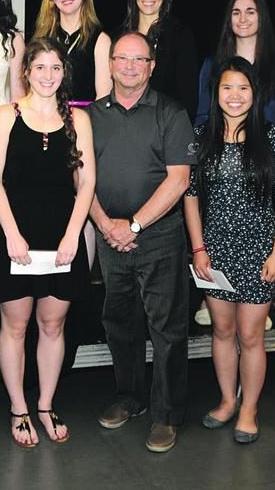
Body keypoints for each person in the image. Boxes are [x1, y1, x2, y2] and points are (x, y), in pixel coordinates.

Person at [0, 37, 95, 446]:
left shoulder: (78, 120)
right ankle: (19, 408)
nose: (48, 75)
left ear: (64, 73)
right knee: (15, 327)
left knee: (53, 325)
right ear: (26, 71)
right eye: (40, 67)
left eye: (56, 68)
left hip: (61, 239)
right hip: (16, 238)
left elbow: (87, 184)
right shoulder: (6, 115)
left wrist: (72, 236)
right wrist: (11, 235)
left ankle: (46, 404)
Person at [89, 31, 196, 453]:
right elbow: (83, 179)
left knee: (167, 328)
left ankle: (166, 414)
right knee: (120, 323)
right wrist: (106, 225)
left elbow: (179, 179)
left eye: (140, 60)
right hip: (109, 237)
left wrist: (131, 226)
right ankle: (129, 397)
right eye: (122, 59)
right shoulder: (92, 116)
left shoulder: (171, 113)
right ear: (111, 63)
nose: (130, 66)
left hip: (160, 236)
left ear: (152, 65)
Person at [184, 57, 275, 444]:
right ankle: (228, 401)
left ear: (254, 93)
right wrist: (198, 249)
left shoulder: (273, 136)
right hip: (213, 254)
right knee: (222, 329)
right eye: (227, 88)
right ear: (216, 93)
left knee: (251, 335)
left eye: (243, 88)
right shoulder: (200, 136)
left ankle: (249, 409)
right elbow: (191, 197)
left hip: (259, 252)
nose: (235, 96)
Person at [193, 0, 275, 328]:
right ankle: (218, 298)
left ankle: (257, 302)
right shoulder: (212, 63)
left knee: (265, 224)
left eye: (250, 11)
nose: (242, 18)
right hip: (221, 156)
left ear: (262, 17)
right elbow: (201, 116)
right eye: (235, 12)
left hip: (264, 161)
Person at [34, 0, 110, 272]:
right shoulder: (42, 38)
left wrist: (83, 133)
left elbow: (104, 97)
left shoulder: (100, 38)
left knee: (85, 203)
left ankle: (80, 281)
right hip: (46, 126)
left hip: (83, 128)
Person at [121, 0, 198, 121]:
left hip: (165, 128)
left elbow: (188, 98)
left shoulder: (181, 37)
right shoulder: (118, 36)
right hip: (123, 125)